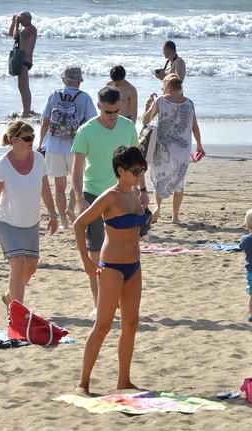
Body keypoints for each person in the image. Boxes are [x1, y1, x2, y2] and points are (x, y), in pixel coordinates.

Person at [73, 145, 148, 395]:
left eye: (142, 170)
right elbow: (79, 223)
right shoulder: (110, 197)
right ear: (120, 170)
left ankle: (123, 380)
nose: (139, 175)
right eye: (135, 171)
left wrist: (148, 214)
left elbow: (139, 228)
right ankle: (83, 383)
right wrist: (85, 259)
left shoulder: (136, 194)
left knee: (131, 324)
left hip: (134, 267)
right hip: (111, 267)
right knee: (103, 325)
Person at [71, 86, 148, 317]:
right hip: (94, 193)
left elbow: (137, 161)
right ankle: (99, 303)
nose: (112, 116)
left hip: (125, 194)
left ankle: (120, 299)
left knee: (124, 246)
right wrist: (78, 198)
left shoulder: (126, 126)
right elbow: (76, 169)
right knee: (97, 253)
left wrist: (143, 189)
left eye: (115, 111)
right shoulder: (86, 131)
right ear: (99, 107)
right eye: (108, 112)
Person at [0, 121, 57, 307]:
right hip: (7, 222)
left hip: (31, 222)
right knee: (18, 263)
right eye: (27, 138)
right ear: (14, 140)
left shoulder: (39, 159)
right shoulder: (2, 164)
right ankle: (17, 312)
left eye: (33, 137)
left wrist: (53, 215)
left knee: (31, 267)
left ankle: (9, 297)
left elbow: (46, 190)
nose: (31, 141)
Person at [38, 66, 96, 230]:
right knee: (77, 179)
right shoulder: (84, 97)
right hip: (76, 145)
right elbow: (91, 123)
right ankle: (71, 207)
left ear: (64, 80)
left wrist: (41, 143)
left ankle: (63, 220)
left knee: (59, 185)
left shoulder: (54, 95)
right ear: (79, 81)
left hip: (54, 145)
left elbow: (45, 122)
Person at [142, 73, 204, 223]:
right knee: (179, 182)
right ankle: (175, 217)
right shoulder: (189, 103)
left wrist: (149, 105)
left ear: (168, 86)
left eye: (163, 86)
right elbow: (194, 126)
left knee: (159, 177)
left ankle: (158, 207)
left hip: (163, 148)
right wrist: (199, 144)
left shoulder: (161, 101)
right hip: (182, 149)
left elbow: (145, 120)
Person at [9, 11, 38, 117]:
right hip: (20, 59)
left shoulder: (31, 29)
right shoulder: (22, 29)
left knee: (24, 86)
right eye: (20, 18)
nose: (20, 20)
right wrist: (13, 23)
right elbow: (10, 34)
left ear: (28, 19)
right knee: (21, 86)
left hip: (25, 60)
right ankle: (26, 108)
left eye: (22, 18)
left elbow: (16, 36)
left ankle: (26, 110)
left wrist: (17, 24)